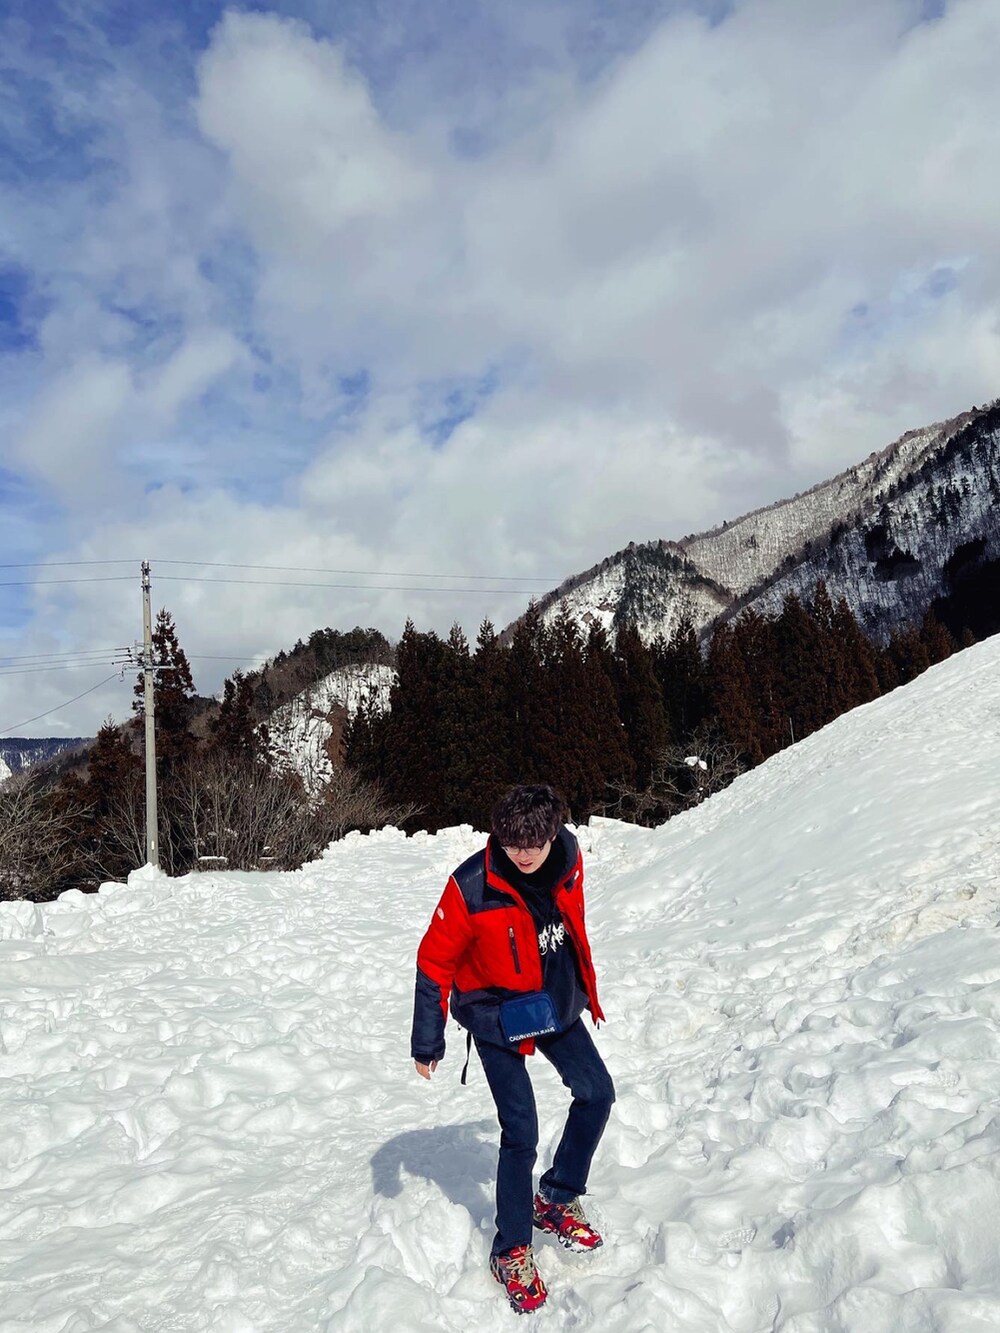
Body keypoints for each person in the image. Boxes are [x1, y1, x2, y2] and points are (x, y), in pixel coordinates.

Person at [411, 783, 615, 1315]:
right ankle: (511, 1249)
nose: (523, 853)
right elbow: (434, 963)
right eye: (512, 843)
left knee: (597, 1094)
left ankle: (557, 1196)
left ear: (553, 835)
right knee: (520, 1131)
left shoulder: (568, 862)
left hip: (556, 1004)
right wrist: (427, 1038)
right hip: (497, 1015)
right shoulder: (471, 885)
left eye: (535, 843)